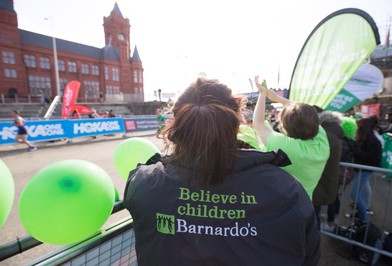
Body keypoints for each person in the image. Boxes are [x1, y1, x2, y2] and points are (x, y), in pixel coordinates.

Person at [124, 77, 321, 265]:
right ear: (237, 123)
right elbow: (309, 255)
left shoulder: (143, 184)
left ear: (178, 123)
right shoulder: (287, 189)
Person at [252, 76, 330, 199]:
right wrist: (277, 98)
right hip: (305, 204)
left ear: (285, 126)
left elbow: (258, 123)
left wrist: (262, 93)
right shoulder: (322, 140)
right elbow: (301, 111)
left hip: (283, 205)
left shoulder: (288, 146)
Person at [311, 111, 344, 231]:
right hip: (326, 180)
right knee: (315, 212)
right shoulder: (335, 136)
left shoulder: (323, 136)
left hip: (316, 181)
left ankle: (313, 243)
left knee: (313, 216)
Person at [351, 117, 382, 224]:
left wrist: (356, 152)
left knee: (355, 194)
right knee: (361, 193)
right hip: (360, 169)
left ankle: (363, 219)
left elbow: (375, 159)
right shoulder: (364, 138)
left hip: (364, 170)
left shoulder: (374, 141)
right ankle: (361, 215)